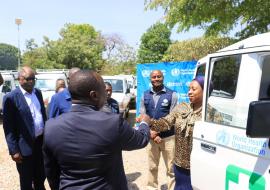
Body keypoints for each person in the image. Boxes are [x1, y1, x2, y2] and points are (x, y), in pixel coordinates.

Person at [43, 70, 151, 190]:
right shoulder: (113, 123)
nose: (107, 94)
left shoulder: (50, 127)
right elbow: (141, 140)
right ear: (94, 95)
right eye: (103, 90)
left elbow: (51, 171)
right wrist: (144, 122)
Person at [148, 76, 222, 190]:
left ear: (205, 91)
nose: (189, 92)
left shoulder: (212, 115)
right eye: (189, 89)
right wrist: (150, 122)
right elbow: (166, 123)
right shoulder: (181, 107)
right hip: (179, 165)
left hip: (200, 166)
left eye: (194, 89)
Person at [2, 66, 47, 190]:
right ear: (20, 79)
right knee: (26, 180)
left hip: (40, 143)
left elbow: (42, 115)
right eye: (28, 79)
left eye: (33, 78)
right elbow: (8, 126)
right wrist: (14, 150)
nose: (31, 81)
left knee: (40, 177)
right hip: (24, 148)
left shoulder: (38, 93)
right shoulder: (11, 98)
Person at [140, 70, 178, 190]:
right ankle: (152, 187)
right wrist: (152, 133)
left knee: (171, 168)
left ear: (163, 78)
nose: (156, 79)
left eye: (159, 76)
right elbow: (143, 115)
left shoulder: (172, 95)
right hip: (151, 137)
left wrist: (157, 131)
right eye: (154, 77)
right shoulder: (144, 94)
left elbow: (172, 118)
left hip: (168, 138)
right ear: (150, 79)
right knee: (152, 166)